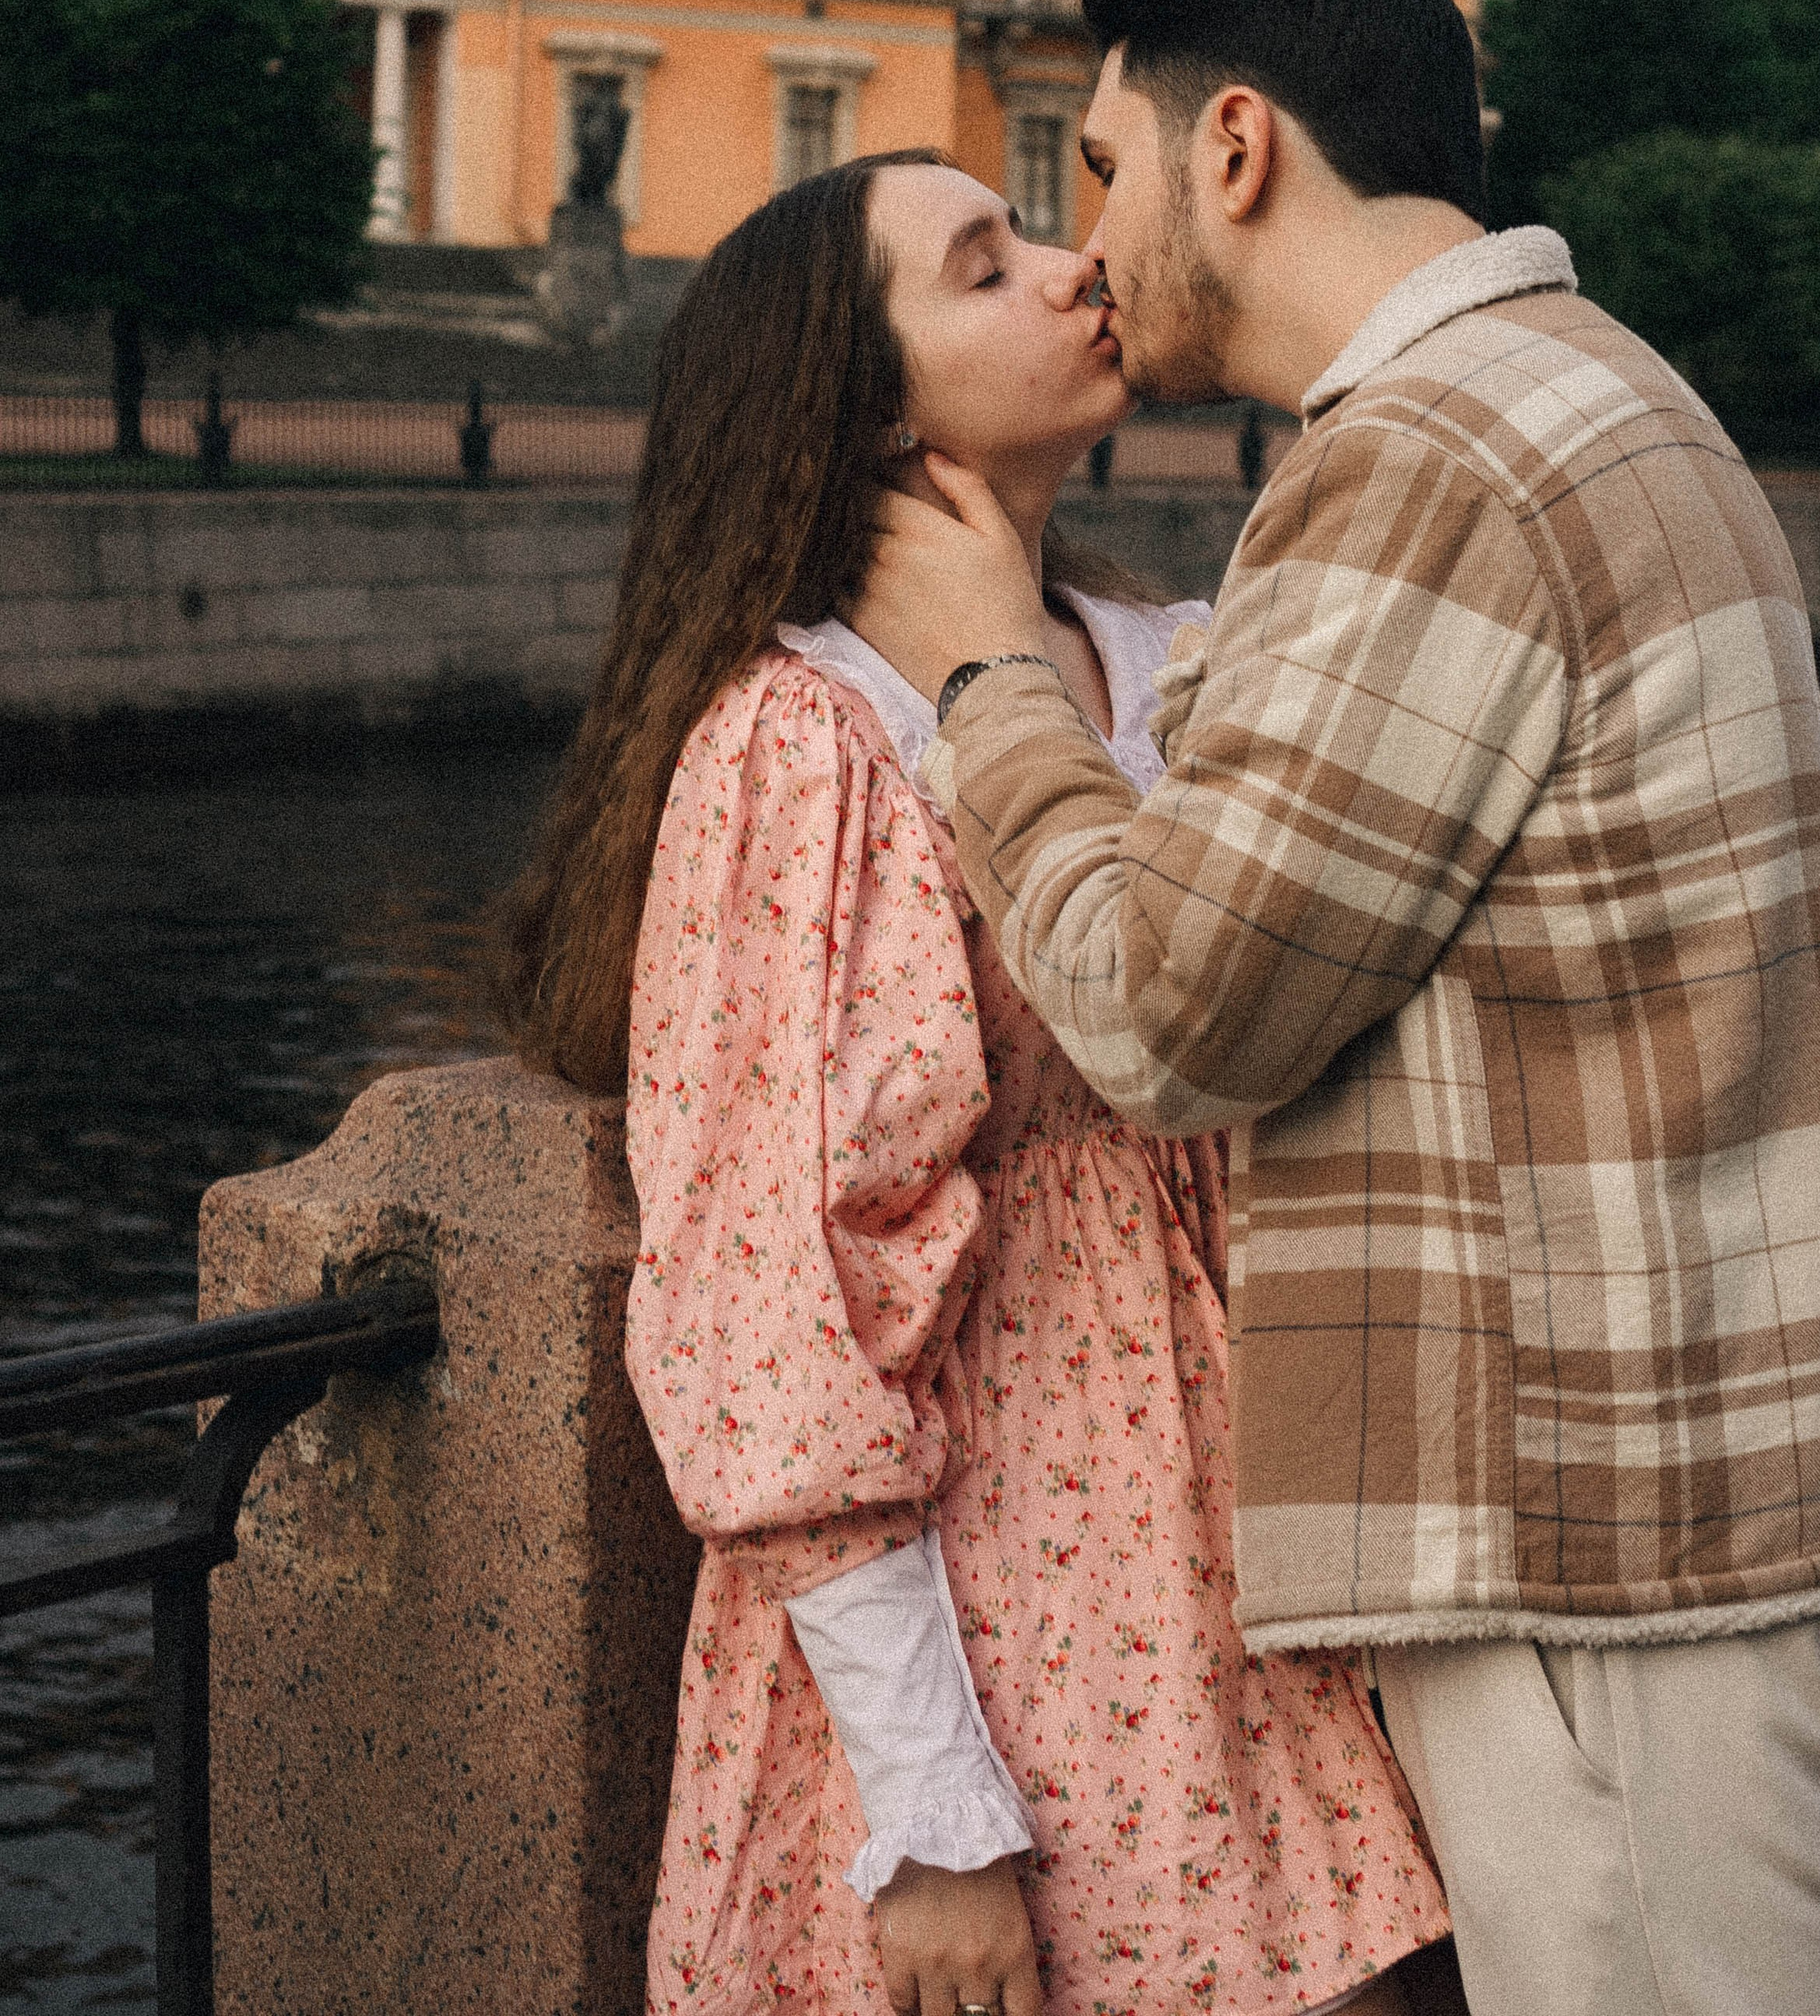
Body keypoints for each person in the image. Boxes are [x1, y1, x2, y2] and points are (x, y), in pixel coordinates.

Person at [850, 0, 1820, 2016]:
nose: (1088, 240)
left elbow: (1172, 1009)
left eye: (1097, 165)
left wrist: (990, 680)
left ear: (1232, 146)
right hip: (1698, 1509)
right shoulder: (1599, 388)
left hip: (1602, 1550)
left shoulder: (1427, 458)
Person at [497, 146, 1455, 2016]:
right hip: (1003, 1611)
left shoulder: (1164, 658)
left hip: (1266, 1566)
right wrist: (931, 1808)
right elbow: (772, 1306)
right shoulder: (804, 744)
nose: (1073, 265)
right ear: (866, 421)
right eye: (982, 265)